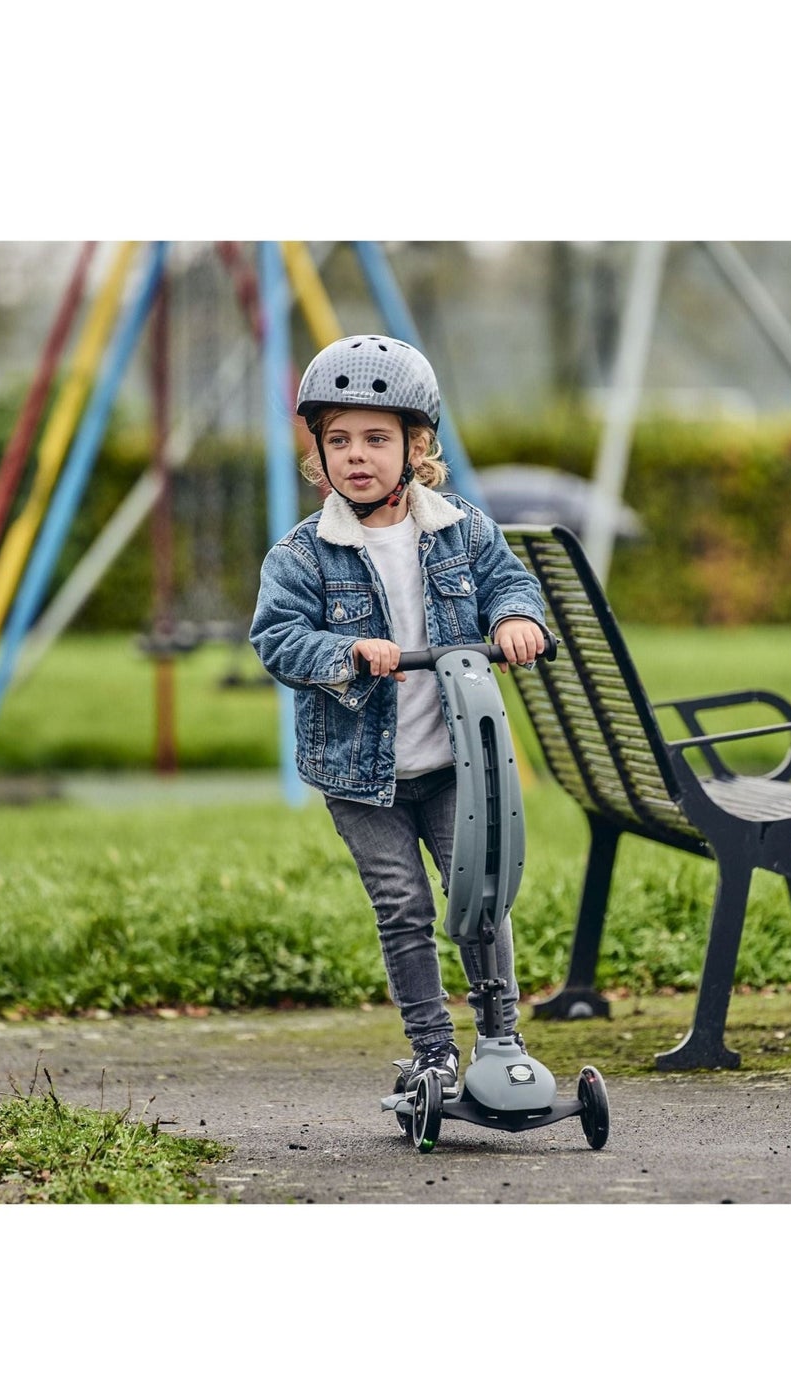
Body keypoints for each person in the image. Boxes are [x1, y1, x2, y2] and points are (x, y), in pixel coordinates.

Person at [250, 335, 547, 1097]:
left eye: (377, 438)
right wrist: (345, 649)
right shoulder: (301, 554)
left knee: (478, 892)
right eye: (339, 439)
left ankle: (501, 1033)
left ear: (416, 446)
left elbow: (508, 582)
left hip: (456, 763)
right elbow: (277, 638)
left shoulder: (461, 529)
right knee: (403, 905)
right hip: (359, 775)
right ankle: (432, 1049)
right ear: (317, 452)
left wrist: (516, 620)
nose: (357, 455)